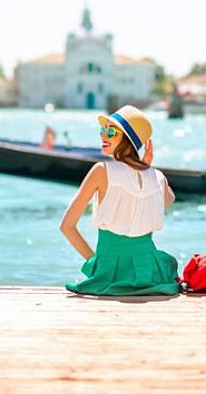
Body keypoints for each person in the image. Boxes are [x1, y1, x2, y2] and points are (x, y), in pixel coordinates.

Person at [60, 105, 179, 296]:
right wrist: (147, 168)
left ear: (128, 140)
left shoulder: (101, 171)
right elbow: (167, 200)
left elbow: (67, 226)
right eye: (103, 130)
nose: (103, 135)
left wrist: (95, 264)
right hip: (150, 272)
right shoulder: (157, 177)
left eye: (111, 131)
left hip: (110, 273)